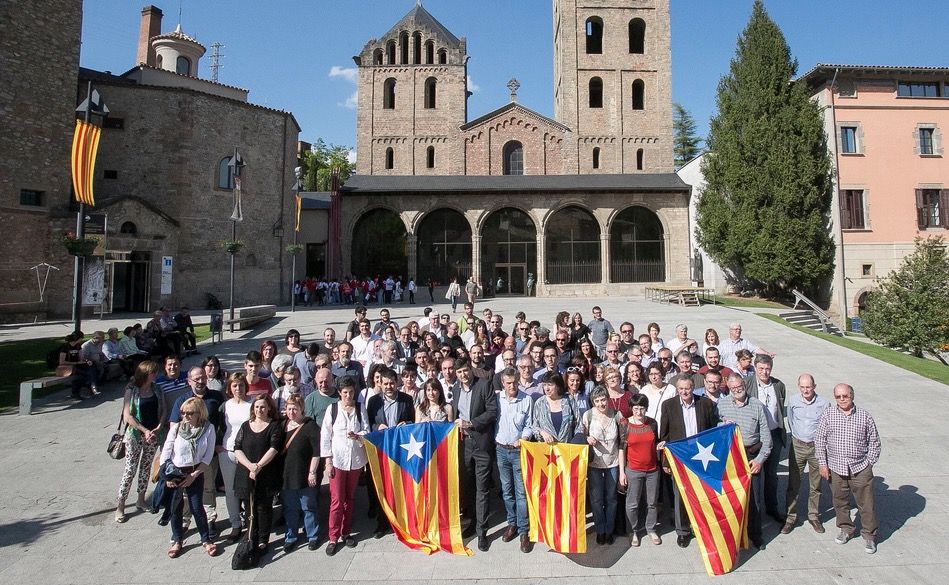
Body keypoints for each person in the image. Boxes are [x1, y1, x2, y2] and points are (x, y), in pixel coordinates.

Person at [816, 383, 882, 554]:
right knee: (840, 501)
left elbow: (874, 442)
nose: (842, 399)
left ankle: (869, 536)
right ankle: (846, 528)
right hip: (836, 468)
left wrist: (868, 463)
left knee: (866, 504)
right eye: (838, 396)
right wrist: (823, 463)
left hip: (860, 468)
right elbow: (820, 440)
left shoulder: (864, 416)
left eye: (845, 396)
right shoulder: (828, 415)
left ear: (852, 396)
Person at [659, 378, 719, 548]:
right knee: (680, 495)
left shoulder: (706, 404)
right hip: (679, 458)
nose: (684, 392)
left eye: (687, 388)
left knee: (702, 494)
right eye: (681, 389)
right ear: (677, 389)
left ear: (693, 388)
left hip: (701, 457)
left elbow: (713, 431)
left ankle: (700, 528)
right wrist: (666, 461)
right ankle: (683, 531)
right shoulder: (668, 406)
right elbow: (664, 436)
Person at [718, 374, 772, 550]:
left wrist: (759, 460)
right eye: (733, 388)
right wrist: (723, 424)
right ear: (728, 387)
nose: (737, 390)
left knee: (754, 498)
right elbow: (714, 428)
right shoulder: (723, 404)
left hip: (751, 456)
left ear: (745, 385)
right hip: (730, 456)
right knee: (732, 496)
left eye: (739, 386)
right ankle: (734, 533)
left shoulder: (757, 405)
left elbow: (766, 437)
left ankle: (755, 534)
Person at [159, 396, 217, 558]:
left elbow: (207, 456)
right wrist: (168, 477)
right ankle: (177, 540)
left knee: (197, 506)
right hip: (175, 471)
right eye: (183, 413)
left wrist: (194, 475)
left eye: (189, 413)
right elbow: (166, 452)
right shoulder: (177, 428)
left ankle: (205, 539)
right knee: (176, 507)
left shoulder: (208, 428)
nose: (185, 416)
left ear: (199, 413)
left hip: (195, 471)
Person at [451, 358, 498, 551]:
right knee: (467, 486)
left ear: (471, 370)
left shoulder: (484, 385)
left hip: (481, 443)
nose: (463, 375)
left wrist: (471, 423)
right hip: (463, 445)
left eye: (465, 371)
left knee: (482, 488)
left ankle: (482, 532)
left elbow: (492, 411)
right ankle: (471, 522)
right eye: (459, 372)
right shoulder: (455, 389)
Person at [321, 376, 369, 556]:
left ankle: (345, 531)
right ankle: (333, 536)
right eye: (345, 392)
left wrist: (358, 436)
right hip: (338, 460)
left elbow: (366, 431)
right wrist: (328, 461)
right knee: (336, 500)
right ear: (339, 393)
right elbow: (325, 436)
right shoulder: (332, 409)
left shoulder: (359, 408)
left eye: (351, 392)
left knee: (350, 497)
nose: (348, 395)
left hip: (355, 459)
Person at [366, 367, 415, 538]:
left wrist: (406, 423)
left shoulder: (407, 400)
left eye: (392, 383)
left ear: (397, 382)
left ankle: (402, 520)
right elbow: (368, 424)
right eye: (385, 383)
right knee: (383, 486)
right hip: (381, 449)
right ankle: (382, 523)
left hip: (401, 450)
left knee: (400, 486)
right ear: (380, 383)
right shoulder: (373, 402)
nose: (389, 386)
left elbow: (413, 422)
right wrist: (376, 426)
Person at [115, 360, 164, 523]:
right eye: (153, 373)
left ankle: (141, 499)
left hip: (152, 435)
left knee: (145, 467)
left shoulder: (156, 389)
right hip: (135, 435)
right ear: (145, 373)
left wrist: (158, 427)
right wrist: (144, 430)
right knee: (130, 469)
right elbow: (127, 416)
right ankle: (120, 505)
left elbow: (163, 410)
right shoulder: (132, 390)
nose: (155, 375)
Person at [234, 394, 284, 553]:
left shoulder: (274, 425)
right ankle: (251, 535)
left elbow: (274, 448)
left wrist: (258, 466)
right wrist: (250, 466)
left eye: (262, 407)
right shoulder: (245, 425)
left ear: (269, 408)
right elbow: (237, 447)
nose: (259, 410)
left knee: (263, 507)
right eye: (256, 407)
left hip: (265, 473)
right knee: (249, 507)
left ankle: (263, 539)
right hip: (246, 472)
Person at [783, 373, 830, 535]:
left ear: (814, 386)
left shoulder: (824, 404)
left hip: (816, 448)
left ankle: (813, 516)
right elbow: (790, 420)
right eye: (802, 387)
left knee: (815, 485)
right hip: (797, 446)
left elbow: (826, 427)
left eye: (808, 387)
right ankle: (790, 517)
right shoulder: (794, 401)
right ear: (798, 387)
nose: (805, 390)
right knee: (793, 483)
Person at [494, 367, 534, 553]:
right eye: (508, 383)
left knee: (521, 492)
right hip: (501, 449)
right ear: (503, 383)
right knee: (507, 490)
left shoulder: (526, 400)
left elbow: (529, 425)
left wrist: (523, 438)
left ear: (519, 381)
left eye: (514, 382)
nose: (512, 386)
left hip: (518, 451)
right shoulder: (497, 399)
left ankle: (524, 530)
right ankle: (512, 524)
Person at [744, 354, 787, 524]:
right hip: (756, 437)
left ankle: (772, 507)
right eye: (761, 368)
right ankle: (755, 511)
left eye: (767, 368)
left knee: (771, 474)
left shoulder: (778, 385)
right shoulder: (747, 384)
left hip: (774, 433)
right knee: (754, 475)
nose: (764, 372)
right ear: (755, 368)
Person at [582, 386, 627, 545]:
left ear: (608, 399)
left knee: (611, 498)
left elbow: (622, 443)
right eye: (597, 401)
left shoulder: (617, 415)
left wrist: (622, 470)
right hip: (594, 464)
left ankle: (609, 530)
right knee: (596, 499)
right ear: (593, 402)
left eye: (603, 400)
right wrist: (587, 438)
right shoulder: (587, 416)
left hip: (613, 463)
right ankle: (600, 530)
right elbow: (582, 435)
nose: (601, 404)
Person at [281, 395, 322, 552]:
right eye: (289, 409)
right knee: (290, 507)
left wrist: (312, 472)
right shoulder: (282, 425)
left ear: (301, 410)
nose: (292, 412)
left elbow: (316, 452)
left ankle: (313, 535)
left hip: (304, 473)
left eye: (295, 409)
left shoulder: (310, 426)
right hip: (286, 474)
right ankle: (290, 536)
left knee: (308, 506)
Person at [216, 372, 252, 542]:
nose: (239, 388)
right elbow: (218, 427)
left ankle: (251, 523)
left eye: (241, 385)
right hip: (228, 451)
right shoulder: (225, 406)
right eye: (235, 385)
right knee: (230, 491)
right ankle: (235, 524)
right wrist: (218, 446)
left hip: (247, 453)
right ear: (230, 388)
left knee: (248, 490)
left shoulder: (252, 404)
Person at [624, 393, 661, 546]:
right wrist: (622, 472)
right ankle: (634, 530)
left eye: (642, 409)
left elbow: (656, 442)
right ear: (631, 409)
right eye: (636, 409)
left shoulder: (652, 423)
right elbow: (621, 448)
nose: (639, 412)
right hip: (633, 469)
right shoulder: (624, 423)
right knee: (633, 503)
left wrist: (660, 446)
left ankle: (651, 528)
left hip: (652, 469)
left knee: (652, 502)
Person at [532, 372, 579, 444]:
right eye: (544, 385)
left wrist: (575, 442)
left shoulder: (569, 400)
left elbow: (579, 424)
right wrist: (542, 432)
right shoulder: (539, 403)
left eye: (550, 385)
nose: (546, 388)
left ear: (558, 386)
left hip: (567, 450)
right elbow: (534, 427)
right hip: (545, 451)